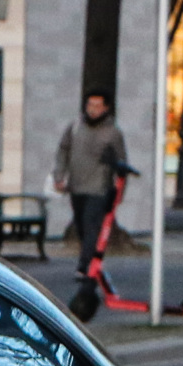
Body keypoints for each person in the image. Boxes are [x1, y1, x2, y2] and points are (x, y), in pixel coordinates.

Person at [54, 91, 129, 279]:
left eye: (97, 106)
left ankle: (85, 266)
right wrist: (59, 175)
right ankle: (91, 260)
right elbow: (63, 149)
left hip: (99, 187)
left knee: (91, 224)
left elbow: (121, 161)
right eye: (90, 105)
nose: (93, 110)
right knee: (80, 224)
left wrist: (119, 191)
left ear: (105, 108)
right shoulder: (76, 127)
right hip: (77, 185)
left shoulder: (113, 133)